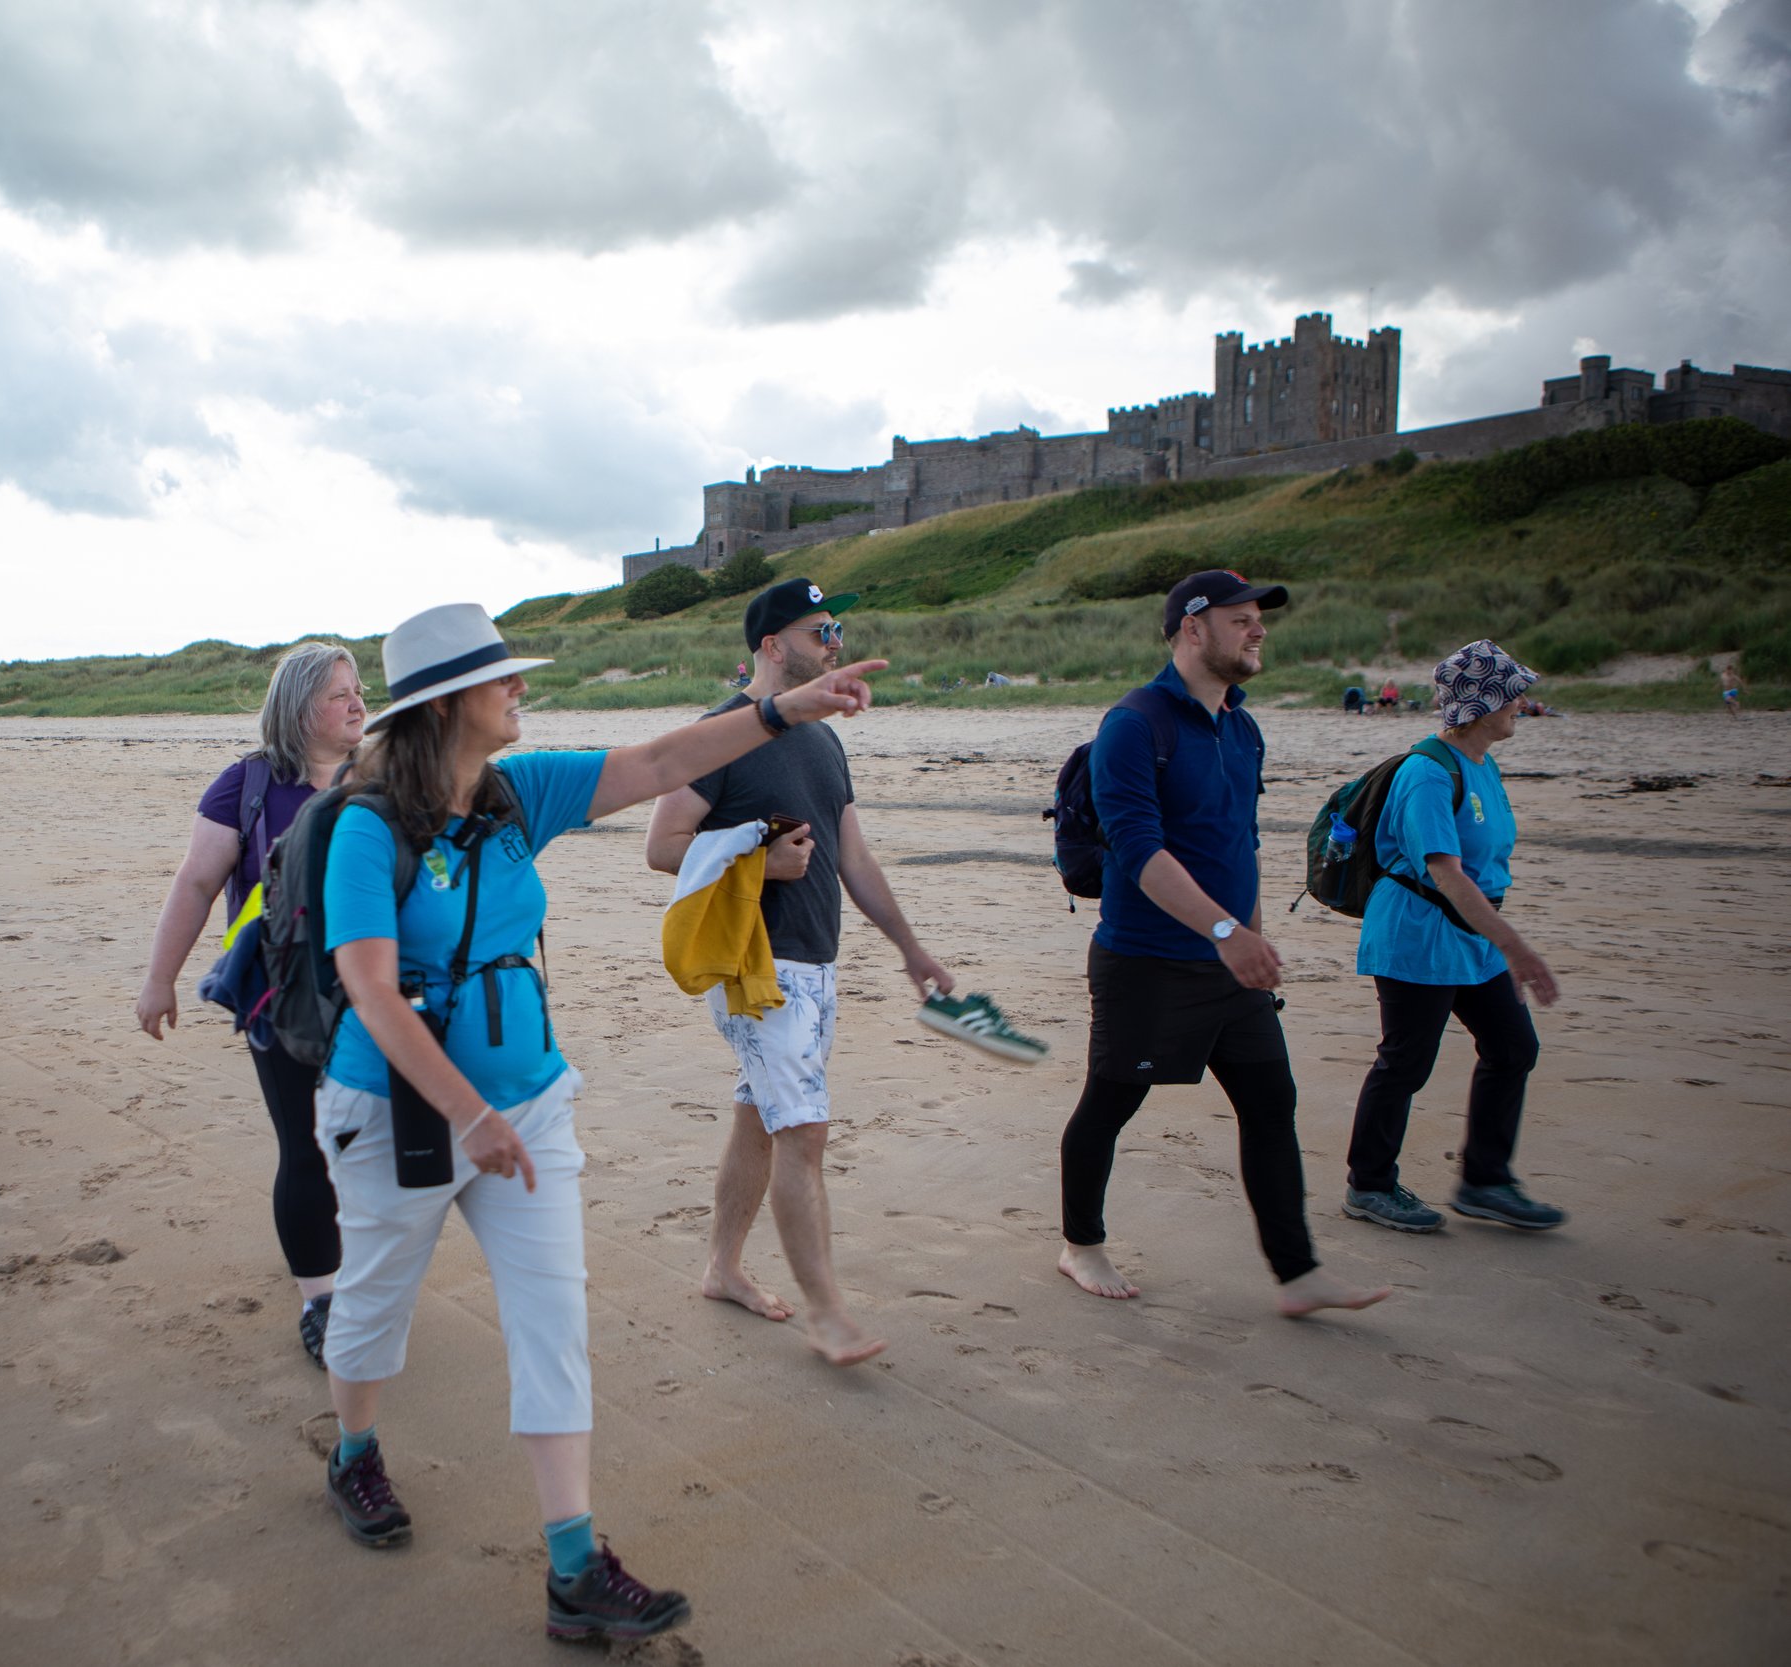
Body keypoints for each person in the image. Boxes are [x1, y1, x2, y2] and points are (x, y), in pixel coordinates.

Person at [313, 602, 884, 1642]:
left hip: (529, 1101)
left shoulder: (518, 792)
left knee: (552, 1320)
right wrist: (466, 1113)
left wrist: (779, 708)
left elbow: (661, 755)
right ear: (446, 706)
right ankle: (353, 1452)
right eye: (503, 680)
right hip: (396, 1110)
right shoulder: (364, 827)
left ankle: (574, 1565)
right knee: (371, 1308)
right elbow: (370, 988)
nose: (519, 690)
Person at [646, 578, 1014, 1366]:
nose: (836, 642)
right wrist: (755, 854)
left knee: (761, 1116)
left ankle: (722, 1267)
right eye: (822, 630)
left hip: (814, 964)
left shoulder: (822, 738)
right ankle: (828, 1312)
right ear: (774, 645)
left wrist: (911, 948)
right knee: (803, 1132)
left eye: (838, 628)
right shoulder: (717, 734)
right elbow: (663, 844)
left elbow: (854, 856)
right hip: (756, 968)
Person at [1055, 571, 1388, 1318]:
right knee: (1111, 1102)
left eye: (1258, 619)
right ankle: (1080, 1243)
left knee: (1273, 1101)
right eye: (1241, 619)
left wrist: (1252, 938)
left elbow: (1239, 843)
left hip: (1230, 962)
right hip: (1146, 960)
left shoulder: (1242, 726)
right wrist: (1225, 930)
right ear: (1191, 629)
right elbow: (1139, 854)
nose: (1258, 630)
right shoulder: (1134, 724)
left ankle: (1297, 1273)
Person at [135, 642, 367, 1364]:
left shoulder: (381, 778)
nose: (360, 703)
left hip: (373, 995)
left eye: (361, 690)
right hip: (282, 996)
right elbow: (198, 884)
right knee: (306, 1146)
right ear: (299, 709)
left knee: (363, 1146)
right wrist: (159, 978)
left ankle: (350, 1259)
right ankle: (321, 1298)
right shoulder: (247, 785)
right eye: (341, 694)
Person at [1342, 641, 1566, 1233]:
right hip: (1418, 933)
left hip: (1471, 933)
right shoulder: (1426, 774)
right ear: (1480, 704)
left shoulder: (1482, 763)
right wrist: (1516, 946)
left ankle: (1485, 1181)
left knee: (1513, 1048)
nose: (1522, 701)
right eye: (1511, 693)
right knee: (1406, 1063)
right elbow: (1445, 872)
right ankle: (1369, 1185)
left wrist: (1499, 940)